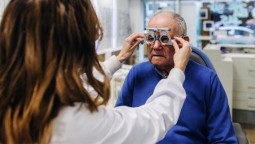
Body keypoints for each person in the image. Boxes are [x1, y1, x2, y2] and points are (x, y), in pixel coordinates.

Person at [0, 1, 192, 143]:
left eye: (164, 38)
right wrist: (177, 73)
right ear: (76, 47)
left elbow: (77, 85)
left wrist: (118, 59)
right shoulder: (77, 123)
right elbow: (154, 119)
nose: (157, 45)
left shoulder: (17, 95)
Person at [116, 10, 238, 144]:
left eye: (164, 38)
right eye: (150, 38)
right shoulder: (137, 74)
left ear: (183, 42)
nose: (156, 46)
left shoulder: (207, 80)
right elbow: (119, 126)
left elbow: (223, 139)